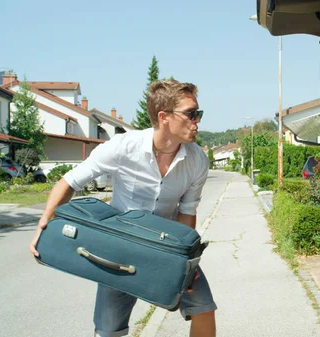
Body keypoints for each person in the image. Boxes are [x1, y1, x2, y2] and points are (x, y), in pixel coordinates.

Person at [29, 79, 217, 337]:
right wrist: (44, 226)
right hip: (120, 246)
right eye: (191, 114)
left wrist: (185, 262)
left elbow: (188, 211)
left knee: (203, 307)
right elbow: (69, 182)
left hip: (164, 247)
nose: (197, 120)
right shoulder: (123, 147)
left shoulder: (197, 159)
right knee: (109, 330)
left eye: (199, 113)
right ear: (164, 117)